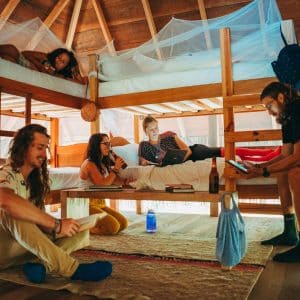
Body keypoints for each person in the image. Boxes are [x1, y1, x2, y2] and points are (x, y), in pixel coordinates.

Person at [0, 124, 112, 283]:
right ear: (23, 148)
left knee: (79, 232)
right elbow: (6, 200)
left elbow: (38, 225)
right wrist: (56, 224)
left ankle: (40, 265)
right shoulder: (6, 172)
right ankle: (72, 269)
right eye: (39, 147)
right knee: (13, 211)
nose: (44, 154)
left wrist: (65, 227)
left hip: (22, 250)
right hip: (3, 250)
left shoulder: (34, 181)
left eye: (45, 148)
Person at [242, 82, 300, 263]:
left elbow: (297, 158)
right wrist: (261, 166)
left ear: (281, 98)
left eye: (269, 106)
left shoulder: (297, 109)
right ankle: (290, 230)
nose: (269, 112)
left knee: (295, 174)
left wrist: (264, 171)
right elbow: (285, 155)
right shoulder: (287, 116)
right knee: (282, 172)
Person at [138, 115, 281, 166]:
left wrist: (180, 160)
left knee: (226, 151)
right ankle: (268, 155)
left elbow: (187, 150)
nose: (155, 131)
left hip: (195, 152)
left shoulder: (169, 136)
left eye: (156, 127)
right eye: (151, 129)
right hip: (186, 158)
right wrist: (144, 162)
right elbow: (143, 160)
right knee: (228, 154)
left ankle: (268, 153)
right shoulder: (144, 145)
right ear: (146, 131)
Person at [80, 133, 128, 235]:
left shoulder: (102, 163)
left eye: (109, 143)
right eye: (105, 143)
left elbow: (114, 180)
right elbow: (102, 184)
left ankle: (91, 224)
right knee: (113, 227)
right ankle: (84, 229)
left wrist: (126, 181)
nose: (108, 146)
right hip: (85, 205)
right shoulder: (89, 164)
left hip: (99, 204)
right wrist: (115, 169)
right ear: (96, 145)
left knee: (123, 223)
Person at [0, 44, 86, 84]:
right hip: (25, 62)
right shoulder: (45, 57)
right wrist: (39, 66)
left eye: (63, 62)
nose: (59, 61)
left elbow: (80, 83)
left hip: (22, 67)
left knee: (7, 60)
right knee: (11, 49)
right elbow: (25, 53)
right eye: (59, 57)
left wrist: (75, 67)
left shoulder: (59, 76)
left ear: (65, 67)